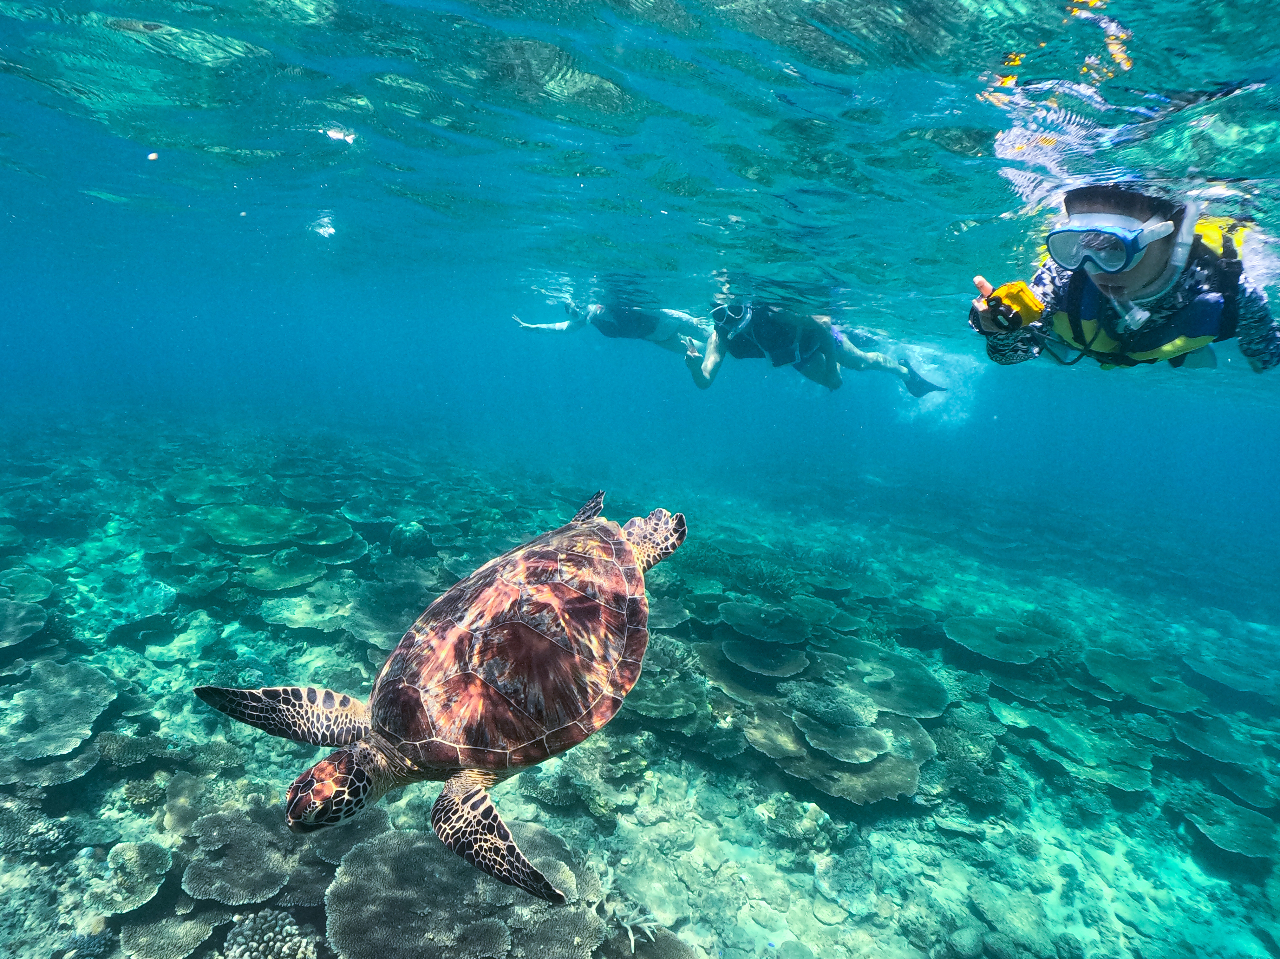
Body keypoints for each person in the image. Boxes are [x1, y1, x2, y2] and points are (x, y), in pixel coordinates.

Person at [969, 184, 1280, 371]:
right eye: (1080, 245)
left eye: (1115, 247)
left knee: (1199, 359)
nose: (1096, 268)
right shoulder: (1063, 276)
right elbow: (1011, 355)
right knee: (1054, 347)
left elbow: (1266, 355)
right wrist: (999, 329)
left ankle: (1188, 352)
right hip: (1083, 342)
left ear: (1176, 235)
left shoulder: (1226, 286)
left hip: (1171, 343)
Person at [684, 299, 945, 395]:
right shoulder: (720, 337)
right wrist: (696, 368)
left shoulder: (772, 312)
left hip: (819, 336)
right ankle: (841, 358)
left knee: (862, 362)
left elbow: (821, 323)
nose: (730, 319)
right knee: (836, 384)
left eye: (735, 309)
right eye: (720, 316)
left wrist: (831, 366)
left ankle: (906, 374)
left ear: (745, 304)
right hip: (796, 357)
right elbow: (705, 380)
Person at [514, 296, 710, 354]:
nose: (580, 312)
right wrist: (533, 327)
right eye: (574, 311)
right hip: (656, 338)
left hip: (670, 324)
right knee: (700, 354)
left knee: (714, 339)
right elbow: (564, 328)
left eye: (580, 306)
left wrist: (689, 319)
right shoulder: (587, 319)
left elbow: (659, 312)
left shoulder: (617, 305)